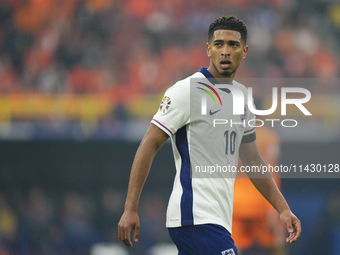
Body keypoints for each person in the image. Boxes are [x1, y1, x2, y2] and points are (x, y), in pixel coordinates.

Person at [118, 15, 301, 255]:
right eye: (219, 44)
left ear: (244, 51)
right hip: (194, 217)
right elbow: (149, 143)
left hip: (218, 220)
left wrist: (283, 209)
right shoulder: (186, 91)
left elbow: (253, 160)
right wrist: (130, 207)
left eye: (233, 45)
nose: (225, 51)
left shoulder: (241, 98)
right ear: (208, 49)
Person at [232, 112, 286, 255]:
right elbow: (271, 172)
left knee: (232, 247)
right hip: (262, 202)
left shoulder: (232, 134)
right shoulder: (269, 137)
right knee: (277, 245)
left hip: (235, 202)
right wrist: (276, 206)